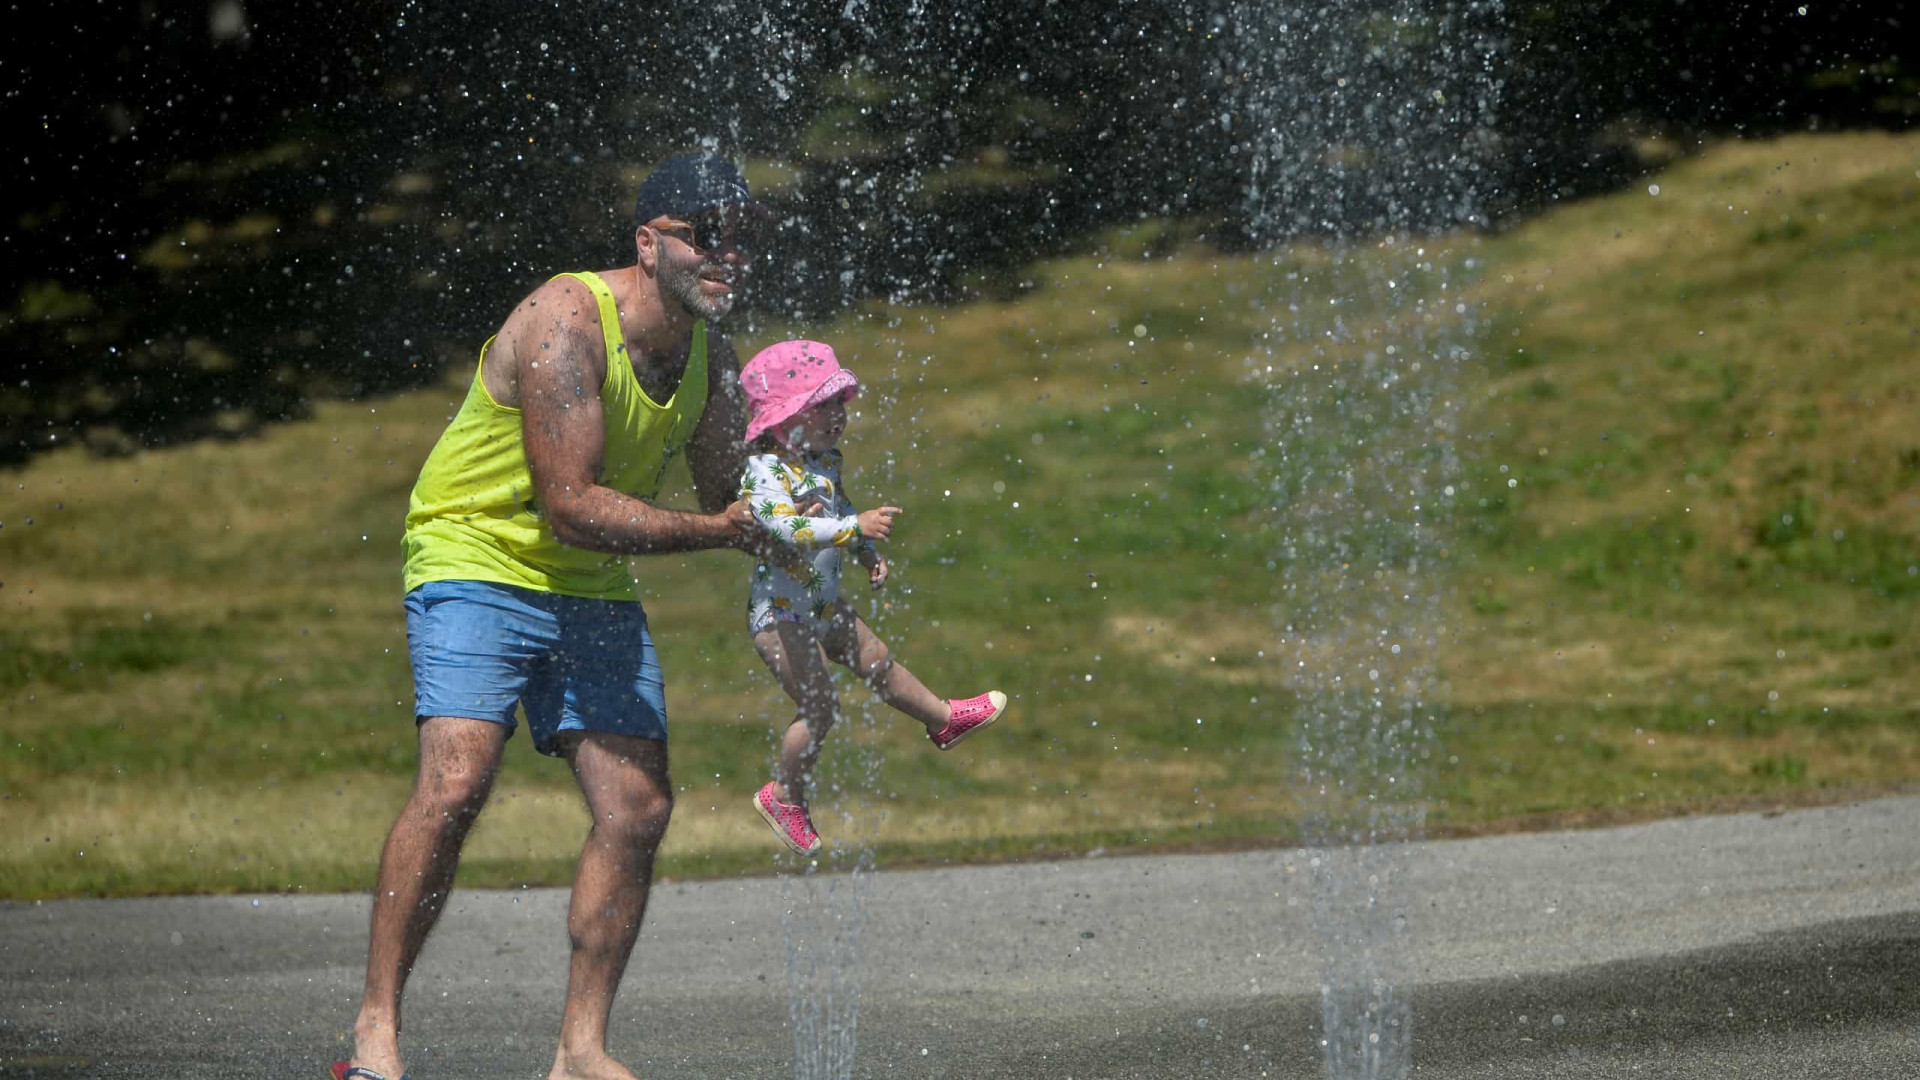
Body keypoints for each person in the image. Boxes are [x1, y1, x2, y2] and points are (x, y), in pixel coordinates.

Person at [333, 152, 768, 1080]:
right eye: (705, 236)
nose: (726, 254)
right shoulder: (566, 318)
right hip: (476, 551)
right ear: (648, 245)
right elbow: (570, 501)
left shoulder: (709, 355)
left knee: (638, 806)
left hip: (589, 581)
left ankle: (579, 1051)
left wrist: (826, 521)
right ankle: (376, 1030)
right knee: (457, 783)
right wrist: (721, 530)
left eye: (741, 235)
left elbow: (739, 493)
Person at [735, 339, 1009, 857]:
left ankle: (943, 719)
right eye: (822, 406)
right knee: (820, 707)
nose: (838, 414)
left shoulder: (824, 461)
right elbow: (788, 528)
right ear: (784, 418)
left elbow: (843, 510)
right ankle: (784, 796)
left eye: (839, 402)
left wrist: (863, 550)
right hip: (780, 616)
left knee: (877, 659)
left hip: (819, 605)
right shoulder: (764, 473)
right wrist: (851, 528)